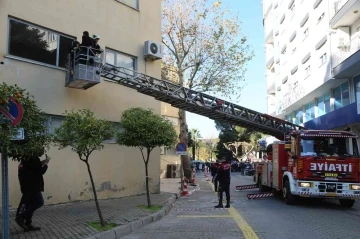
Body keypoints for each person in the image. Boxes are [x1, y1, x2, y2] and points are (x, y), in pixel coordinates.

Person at [15, 149, 50, 232]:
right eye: (41, 149)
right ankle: (20, 216)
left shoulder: (28, 158)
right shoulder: (33, 158)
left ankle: (28, 224)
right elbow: (40, 171)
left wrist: (42, 162)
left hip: (27, 186)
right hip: (33, 186)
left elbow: (35, 167)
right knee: (39, 202)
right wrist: (46, 163)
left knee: (29, 204)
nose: (42, 151)